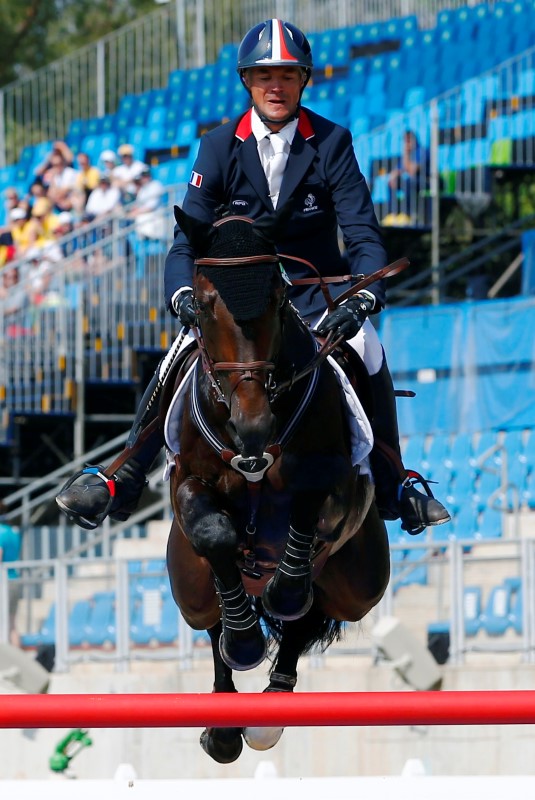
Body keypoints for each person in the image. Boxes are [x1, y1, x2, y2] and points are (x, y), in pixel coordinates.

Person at [57, 19, 450, 536]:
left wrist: (364, 297)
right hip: (241, 302)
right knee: (177, 352)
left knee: (369, 347)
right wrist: (181, 293)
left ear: (304, 79)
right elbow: (187, 238)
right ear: (247, 80)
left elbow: (362, 233)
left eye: (287, 75)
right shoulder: (219, 145)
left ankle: (395, 480)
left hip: (316, 298)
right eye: (264, 75)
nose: (275, 86)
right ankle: (124, 474)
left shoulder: (332, 141)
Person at [385, 130, 430, 224]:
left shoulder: (422, 151)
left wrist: (405, 153)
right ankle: (393, 214)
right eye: (405, 140)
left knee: (408, 182)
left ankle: (408, 214)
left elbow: (412, 170)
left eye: (408, 140)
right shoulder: (408, 154)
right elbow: (397, 170)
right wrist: (393, 177)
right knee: (391, 183)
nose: (407, 143)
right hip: (412, 181)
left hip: (426, 181)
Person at [0, 503, 22, 647]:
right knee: (11, 625)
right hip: (13, 579)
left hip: (3, 581)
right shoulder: (13, 531)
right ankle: (19, 663)